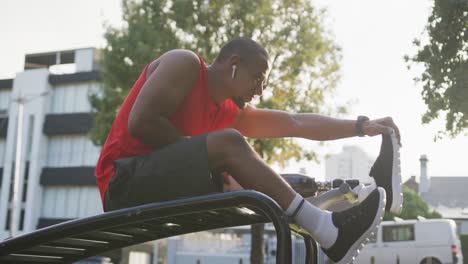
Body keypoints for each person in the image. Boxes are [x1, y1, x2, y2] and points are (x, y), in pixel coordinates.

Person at [95, 37, 401, 264]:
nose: (260, 90)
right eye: (258, 78)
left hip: (156, 185)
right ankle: (328, 231)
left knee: (258, 173)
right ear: (233, 64)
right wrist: (211, 160)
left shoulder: (229, 112)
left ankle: (353, 197)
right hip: (121, 183)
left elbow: (296, 123)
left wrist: (361, 126)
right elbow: (141, 122)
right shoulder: (184, 63)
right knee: (229, 145)